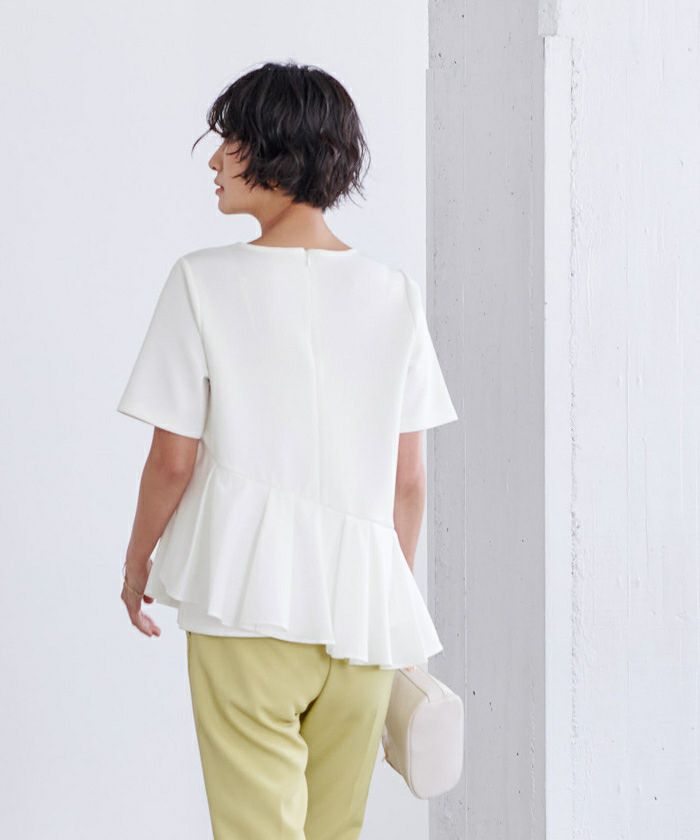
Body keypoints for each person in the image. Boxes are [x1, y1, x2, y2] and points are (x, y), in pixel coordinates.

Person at [117, 60, 458, 840]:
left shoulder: (201, 282)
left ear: (277, 150)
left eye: (230, 140)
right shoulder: (394, 294)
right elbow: (408, 482)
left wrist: (138, 565)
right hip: (363, 613)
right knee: (335, 830)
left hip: (246, 601)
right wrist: (386, 597)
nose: (214, 160)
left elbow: (173, 461)